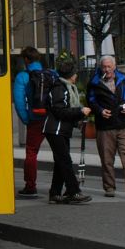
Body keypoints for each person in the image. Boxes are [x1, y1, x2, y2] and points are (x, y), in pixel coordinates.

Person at [87, 54, 125, 199]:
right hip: (105, 127)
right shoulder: (94, 82)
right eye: (104, 67)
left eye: (109, 66)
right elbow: (90, 100)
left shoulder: (124, 78)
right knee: (107, 159)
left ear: (114, 66)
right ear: (101, 67)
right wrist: (99, 111)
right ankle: (109, 187)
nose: (107, 69)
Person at [43, 60, 92, 204]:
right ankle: (74, 191)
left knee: (60, 162)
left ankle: (55, 193)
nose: (76, 76)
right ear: (72, 75)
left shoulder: (66, 87)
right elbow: (60, 111)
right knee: (65, 161)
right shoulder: (60, 88)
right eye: (75, 73)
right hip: (55, 129)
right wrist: (80, 111)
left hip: (61, 129)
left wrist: (78, 119)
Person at [13, 46, 47, 197]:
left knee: (31, 153)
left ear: (26, 59)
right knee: (60, 152)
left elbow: (19, 101)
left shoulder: (22, 76)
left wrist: (26, 119)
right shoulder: (50, 74)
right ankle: (62, 186)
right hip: (52, 118)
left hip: (36, 120)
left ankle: (30, 185)